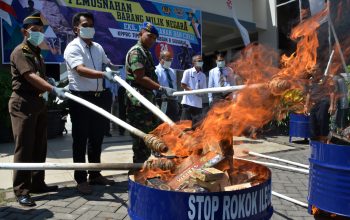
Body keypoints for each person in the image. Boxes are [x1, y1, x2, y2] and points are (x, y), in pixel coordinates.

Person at [9, 12, 67, 207]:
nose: (38, 34)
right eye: (34, 31)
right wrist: (51, 88)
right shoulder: (20, 51)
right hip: (23, 103)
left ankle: (37, 183)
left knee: (39, 146)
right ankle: (21, 190)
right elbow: (30, 76)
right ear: (24, 31)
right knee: (24, 147)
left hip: (38, 103)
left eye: (41, 31)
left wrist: (49, 82)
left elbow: (39, 77)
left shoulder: (36, 53)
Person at [63, 12, 117, 194]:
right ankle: (80, 179)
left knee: (97, 137)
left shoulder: (98, 47)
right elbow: (80, 70)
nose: (89, 28)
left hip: (100, 96)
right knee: (80, 139)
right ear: (76, 28)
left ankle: (95, 174)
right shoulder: (72, 48)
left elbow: (106, 63)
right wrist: (103, 74)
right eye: (85, 25)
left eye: (91, 25)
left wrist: (111, 69)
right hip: (81, 98)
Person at [125, 22, 175, 163]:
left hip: (146, 99)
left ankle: (144, 169)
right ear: (140, 33)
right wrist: (161, 88)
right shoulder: (136, 52)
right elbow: (139, 77)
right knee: (142, 140)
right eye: (149, 36)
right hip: (138, 101)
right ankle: (137, 172)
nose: (152, 40)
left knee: (150, 137)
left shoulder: (145, 52)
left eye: (154, 38)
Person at [304, 74, 336, 142]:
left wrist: (332, 105)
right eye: (312, 70)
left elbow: (332, 92)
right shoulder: (311, 80)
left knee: (322, 122)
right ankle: (315, 143)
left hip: (324, 103)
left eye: (315, 70)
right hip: (314, 103)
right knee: (313, 125)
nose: (314, 71)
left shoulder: (326, 78)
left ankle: (324, 142)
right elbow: (308, 94)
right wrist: (306, 106)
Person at [180, 55, 207, 128]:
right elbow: (183, 85)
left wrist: (201, 94)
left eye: (201, 61)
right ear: (193, 62)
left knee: (196, 128)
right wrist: (193, 91)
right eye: (199, 60)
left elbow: (204, 90)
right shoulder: (187, 72)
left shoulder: (203, 76)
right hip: (187, 104)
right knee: (185, 127)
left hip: (198, 105)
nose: (201, 62)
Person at [155, 50, 179, 121]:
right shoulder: (156, 71)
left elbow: (174, 86)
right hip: (162, 101)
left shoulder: (172, 71)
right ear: (160, 59)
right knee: (163, 122)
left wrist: (176, 100)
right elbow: (154, 88)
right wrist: (155, 103)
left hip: (173, 101)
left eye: (171, 60)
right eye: (167, 60)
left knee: (174, 121)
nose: (169, 62)